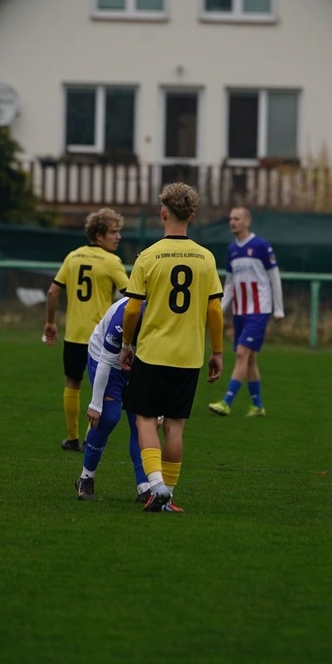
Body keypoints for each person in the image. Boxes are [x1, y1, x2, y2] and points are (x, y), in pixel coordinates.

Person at [119, 182, 224, 513]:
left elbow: (133, 308)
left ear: (163, 213)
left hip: (152, 352)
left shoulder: (148, 256)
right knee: (176, 425)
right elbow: (214, 310)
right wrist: (217, 352)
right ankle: (168, 496)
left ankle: (156, 487)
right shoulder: (206, 258)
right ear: (192, 215)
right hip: (189, 355)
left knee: (146, 418)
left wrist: (126, 344)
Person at [43, 208, 129, 451]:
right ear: (99, 235)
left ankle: (71, 438)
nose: (118, 237)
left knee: (72, 383)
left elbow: (52, 292)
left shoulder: (73, 256)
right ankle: (90, 442)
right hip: (102, 340)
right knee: (99, 392)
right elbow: (131, 297)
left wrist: (50, 322)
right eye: (114, 232)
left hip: (73, 335)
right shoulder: (112, 262)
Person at [208, 206, 284, 418]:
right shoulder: (232, 249)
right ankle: (257, 406)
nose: (232, 222)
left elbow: (274, 277)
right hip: (240, 312)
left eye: (237, 218)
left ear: (247, 222)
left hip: (259, 310)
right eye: (230, 218)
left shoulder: (261, 246)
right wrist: (220, 309)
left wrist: (278, 308)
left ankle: (227, 402)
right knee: (249, 359)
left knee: (241, 353)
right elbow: (230, 283)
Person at [75, 296, 151, 502]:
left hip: (139, 364)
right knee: (108, 417)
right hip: (103, 357)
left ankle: (144, 485)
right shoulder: (124, 317)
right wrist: (95, 404)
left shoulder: (164, 316)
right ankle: (86, 477)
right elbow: (106, 361)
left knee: (142, 423)